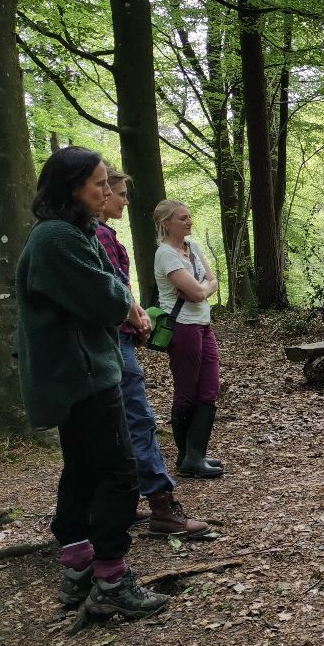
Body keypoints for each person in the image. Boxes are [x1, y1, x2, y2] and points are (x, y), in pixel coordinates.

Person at [15, 146, 168, 619]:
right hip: (81, 376)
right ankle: (111, 579)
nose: (107, 190)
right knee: (118, 473)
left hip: (78, 372)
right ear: (73, 188)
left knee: (81, 469)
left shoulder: (69, 232)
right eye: (99, 183)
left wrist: (122, 298)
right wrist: (125, 301)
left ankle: (79, 564)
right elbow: (107, 299)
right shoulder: (57, 238)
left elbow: (108, 288)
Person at [97, 167, 208, 537]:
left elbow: (207, 283)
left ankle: (122, 503)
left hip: (115, 338)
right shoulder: (96, 235)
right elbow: (113, 288)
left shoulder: (102, 234)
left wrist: (137, 314)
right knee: (138, 420)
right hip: (114, 340)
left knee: (116, 424)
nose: (125, 201)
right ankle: (162, 507)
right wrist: (135, 316)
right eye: (119, 193)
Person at [152, 200, 223, 479]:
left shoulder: (193, 247)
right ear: (166, 223)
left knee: (210, 387)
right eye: (182, 218)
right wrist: (202, 290)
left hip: (203, 325)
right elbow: (197, 292)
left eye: (189, 217)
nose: (189, 221)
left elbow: (211, 283)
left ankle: (195, 455)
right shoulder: (165, 254)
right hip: (182, 327)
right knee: (187, 390)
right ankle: (187, 457)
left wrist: (202, 289)